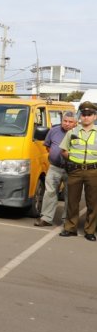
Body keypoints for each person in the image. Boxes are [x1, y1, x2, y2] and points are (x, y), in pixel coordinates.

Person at [59, 101, 97, 241]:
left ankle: (90, 231)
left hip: (93, 171)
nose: (86, 117)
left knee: (93, 202)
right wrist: (74, 160)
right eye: (84, 114)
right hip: (75, 170)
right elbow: (63, 150)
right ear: (80, 116)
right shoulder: (72, 132)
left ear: (95, 116)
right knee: (72, 201)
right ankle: (70, 228)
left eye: (90, 114)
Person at [34, 111, 76, 227]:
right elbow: (48, 146)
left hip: (72, 169)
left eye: (70, 122)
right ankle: (46, 218)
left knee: (70, 195)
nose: (67, 124)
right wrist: (54, 155)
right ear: (62, 121)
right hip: (55, 167)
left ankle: (67, 220)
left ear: (75, 123)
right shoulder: (53, 131)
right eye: (65, 121)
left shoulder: (78, 133)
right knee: (50, 192)